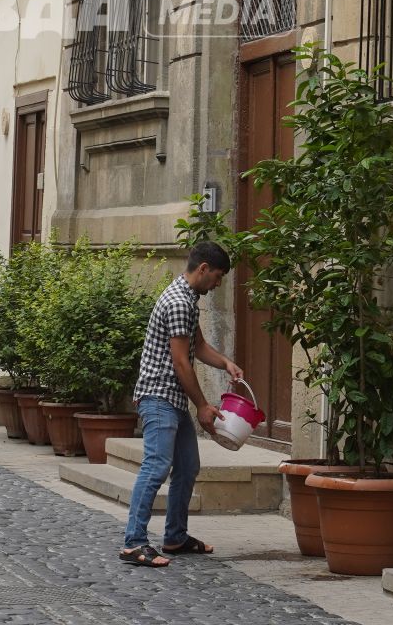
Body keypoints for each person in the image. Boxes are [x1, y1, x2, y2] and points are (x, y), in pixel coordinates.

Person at [119, 240, 242, 569]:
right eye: (217, 277)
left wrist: (226, 363)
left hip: (171, 398)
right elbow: (181, 363)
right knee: (156, 467)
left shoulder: (186, 297)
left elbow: (197, 346)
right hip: (160, 397)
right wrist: (202, 405)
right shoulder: (178, 301)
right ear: (203, 269)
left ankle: (174, 536)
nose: (217, 285)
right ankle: (134, 542)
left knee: (187, 467)